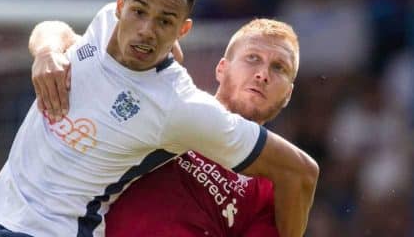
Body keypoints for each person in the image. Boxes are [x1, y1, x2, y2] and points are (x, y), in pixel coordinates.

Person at [0, 0, 318, 237]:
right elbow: (55, 29)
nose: (146, 30)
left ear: (182, 30)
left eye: (165, 22)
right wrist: (46, 51)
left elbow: (301, 172)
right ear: (120, 8)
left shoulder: (179, 107)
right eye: (139, 12)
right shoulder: (102, 25)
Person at [32, 17, 305, 236]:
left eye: (279, 68)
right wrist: (47, 52)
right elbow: (57, 30)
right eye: (253, 58)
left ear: (289, 94)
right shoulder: (167, 105)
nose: (262, 74)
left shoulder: (275, 184)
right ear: (222, 68)